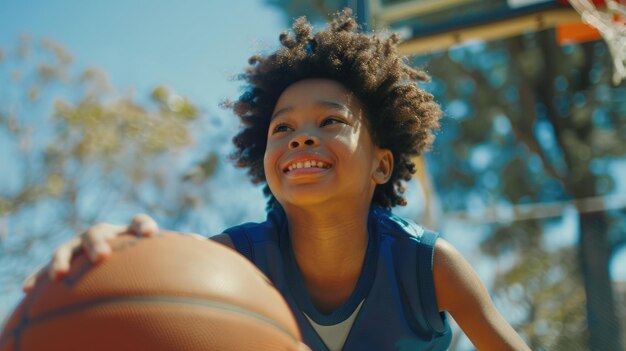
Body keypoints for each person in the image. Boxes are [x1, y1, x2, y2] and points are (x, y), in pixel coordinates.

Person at [23, 10, 530, 351]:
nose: (301, 137)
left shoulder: (427, 265)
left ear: (381, 164)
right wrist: (115, 257)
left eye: (330, 122)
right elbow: (154, 284)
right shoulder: (234, 260)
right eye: (282, 127)